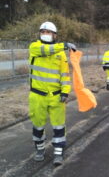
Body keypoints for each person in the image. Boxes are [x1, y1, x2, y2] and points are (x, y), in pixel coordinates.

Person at [29, 21, 76, 166]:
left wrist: (65, 92)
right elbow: (46, 50)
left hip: (56, 96)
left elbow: (65, 75)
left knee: (59, 126)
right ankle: (40, 150)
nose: (45, 34)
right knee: (38, 126)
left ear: (55, 35)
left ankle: (58, 153)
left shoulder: (61, 55)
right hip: (37, 96)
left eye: (48, 32)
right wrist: (64, 45)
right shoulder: (35, 47)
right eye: (43, 32)